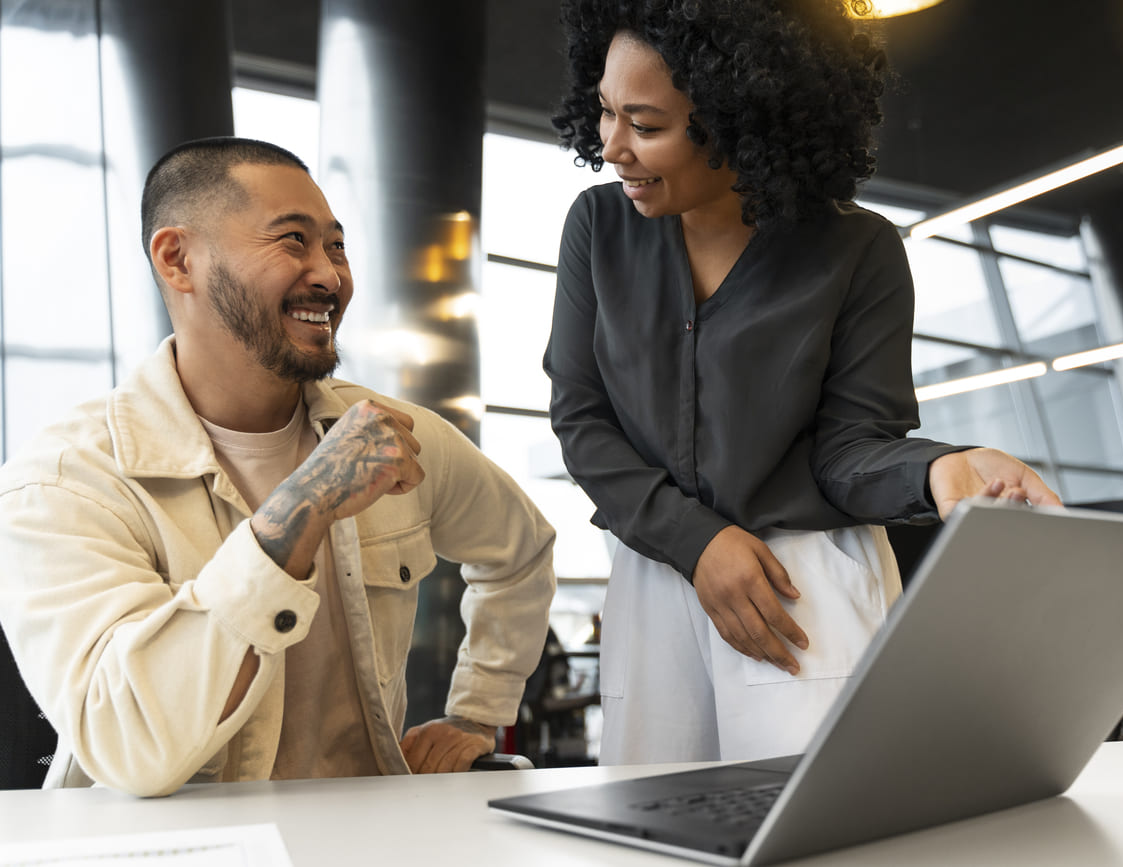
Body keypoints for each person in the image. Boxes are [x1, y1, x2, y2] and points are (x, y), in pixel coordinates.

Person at [544, 0, 1062, 765]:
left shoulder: (859, 251)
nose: (611, 145)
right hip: (655, 579)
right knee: (654, 831)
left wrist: (941, 468)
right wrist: (699, 543)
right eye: (605, 112)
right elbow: (582, 421)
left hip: (801, 592)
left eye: (646, 125)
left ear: (739, 119)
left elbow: (850, 449)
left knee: (816, 832)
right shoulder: (598, 227)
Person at [0, 138, 557, 796]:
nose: (329, 274)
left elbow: (522, 551)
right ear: (178, 259)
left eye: (337, 247)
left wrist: (478, 711)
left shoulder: (393, 433)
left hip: (368, 840)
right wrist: (305, 505)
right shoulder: (63, 481)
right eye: (293, 241)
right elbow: (132, 745)